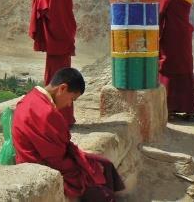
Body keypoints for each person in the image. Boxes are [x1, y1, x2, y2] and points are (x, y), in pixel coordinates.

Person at [12, 68, 125, 201]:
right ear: (63, 88)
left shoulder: (31, 97)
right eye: (72, 99)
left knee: (105, 164)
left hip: (45, 157)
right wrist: (83, 171)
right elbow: (57, 160)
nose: (68, 104)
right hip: (40, 165)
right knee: (102, 192)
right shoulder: (47, 113)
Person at [29, 0, 77, 126]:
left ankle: (58, 120)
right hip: (65, 31)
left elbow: (48, 7)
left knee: (56, 78)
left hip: (57, 34)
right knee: (63, 76)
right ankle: (65, 117)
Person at [158, 0, 194, 122]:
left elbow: (159, 16)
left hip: (170, 38)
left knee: (167, 68)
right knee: (185, 69)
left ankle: (168, 110)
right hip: (185, 38)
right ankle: (189, 110)